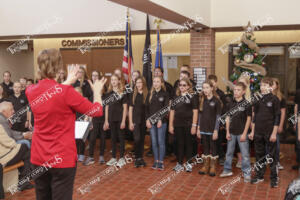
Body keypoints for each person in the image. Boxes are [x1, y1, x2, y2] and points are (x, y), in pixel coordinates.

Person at [25, 48, 106, 200]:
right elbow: (96, 111)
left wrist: (67, 82)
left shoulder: (30, 90)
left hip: (39, 158)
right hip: (61, 159)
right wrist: (96, 92)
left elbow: (52, 92)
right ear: (58, 67)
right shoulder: (66, 92)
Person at [248, 77, 280, 188]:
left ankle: (274, 178)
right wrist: (252, 131)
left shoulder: (275, 99)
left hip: (270, 132)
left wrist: (274, 133)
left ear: (271, 87)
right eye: (262, 85)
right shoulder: (257, 99)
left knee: (271, 156)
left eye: (266, 85)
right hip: (258, 132)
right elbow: (254, 116)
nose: (263, 87)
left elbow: (277, 117)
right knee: (259, 155)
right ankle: (259, 176)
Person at [220, 82, 251, 182]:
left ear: (243, 91)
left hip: (242, 133)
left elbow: (248, 120)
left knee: (245, 154)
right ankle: (227, 169)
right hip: (232, 132)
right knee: (229, 152)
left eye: (238, 90)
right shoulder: (231, 104)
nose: (236, 92)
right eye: (235, 90)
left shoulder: (247, 104)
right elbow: (228, 118)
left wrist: (244, 133)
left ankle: (246, 173)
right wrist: (227, 132)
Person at [0, 101, 33, 191]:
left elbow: (10, 134)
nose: (14, 111)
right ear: (3, 112)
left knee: (25, 148)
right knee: (25, 146)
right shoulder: (1, 120)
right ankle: (24, 181)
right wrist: (23, 136)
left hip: (4, 152)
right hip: (3, 157)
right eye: (11, 110)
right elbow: (8, 140)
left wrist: (23, 135)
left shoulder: (2, 118)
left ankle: (24, 181)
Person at [169, 78, 198, 172]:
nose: (182, 87)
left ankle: (189, 164)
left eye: (184, 85)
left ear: (188, 86)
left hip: (189, 124)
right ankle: (180, 163)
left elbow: (195, 112)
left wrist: (194, 125)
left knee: (189, 144)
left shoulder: (192, 97)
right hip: (177, 124)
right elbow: (172, 112)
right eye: (180, 85)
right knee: (179, 144)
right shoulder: (176, 97)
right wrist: (170, 125)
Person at [197, 80, 222, 176]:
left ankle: (212, 167)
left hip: (212, 129)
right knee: (205, 147)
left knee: (213, 147)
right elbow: (200, 116)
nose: (205, 90)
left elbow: (218, 117)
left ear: (212, 88)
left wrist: (216, 130)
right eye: (204, 88)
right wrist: (198, 128)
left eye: (207, 87)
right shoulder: (202, 100)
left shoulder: (217, 101)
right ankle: (205, 165)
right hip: (203, 128)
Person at [146, 76, 169, 170]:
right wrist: (147, 119)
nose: (155, 83)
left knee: (161, 142)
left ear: (161, 83)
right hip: (151, 122)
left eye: (157, 81)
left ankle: (161, 162)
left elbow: (166, 109)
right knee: (154, 142)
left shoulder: (165, 94)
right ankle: (156, 161)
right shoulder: (150, 93)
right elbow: (146, 109)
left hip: (161, 122)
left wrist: (160, 119)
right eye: (154, 81)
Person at [104, 74, 128, 167]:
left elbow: (125, 108)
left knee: (121, 138)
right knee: (113, 138)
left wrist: (123, 121)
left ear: (119, 81)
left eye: (115, 80)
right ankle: (113, 157)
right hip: (111, 119)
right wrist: (106, 121)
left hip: (120, 119)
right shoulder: (108, 93)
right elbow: (106, 108)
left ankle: (121, 158)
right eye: (112, 80)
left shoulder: (122, 92)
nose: (113, 81)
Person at [84, 70, 107, 165]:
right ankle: (91, 157)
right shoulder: (89, 89)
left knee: (103, 137)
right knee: (92, 138)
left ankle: (101, 156)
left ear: (99, 76)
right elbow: (87, 105)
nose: (94, 77)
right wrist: (89, 119)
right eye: (93, 75)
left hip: (103, 116)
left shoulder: (104, 87)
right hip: (93, 117)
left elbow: (106, 104)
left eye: (96, 75)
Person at [129, 76, 148, 167]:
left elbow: (148, 109)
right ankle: (136, 157)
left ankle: (140, 158)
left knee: (142, 140)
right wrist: (130, 122)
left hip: (144, 120)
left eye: (140, 82)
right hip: (135, 120)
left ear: (143, 83)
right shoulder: (133, 94)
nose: (138, 84)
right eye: (137, 83)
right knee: (137, 139)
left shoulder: (147, 94)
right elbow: (130, 109)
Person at [208, 74, 226, 165]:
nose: (212, 85)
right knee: (210, 140)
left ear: (216, 82)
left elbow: (224, 109)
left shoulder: (221, 94)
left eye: (213, 83)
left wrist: (222, 123)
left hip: (218, 121)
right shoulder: (207, 94)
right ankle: (212, 156)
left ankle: (221, 157)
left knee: (218, 140)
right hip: (209, 121)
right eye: (210, 83)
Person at [272, 78, 286, 170]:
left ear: (277, 85)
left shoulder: (281, 98)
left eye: (273, 84)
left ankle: (277, 162)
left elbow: (283, 112)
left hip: (276, 124)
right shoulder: (265, 96)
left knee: (276, 144)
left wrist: (280, 125)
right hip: (266, 124)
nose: (272, 85)